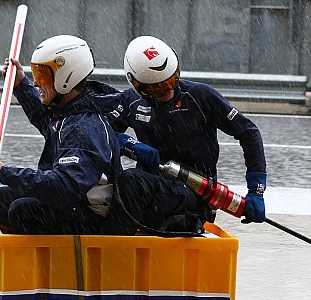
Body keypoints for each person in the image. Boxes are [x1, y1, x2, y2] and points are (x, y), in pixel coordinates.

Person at [102, 35, 267, 229]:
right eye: (158, 87)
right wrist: (127, 142)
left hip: (195, 193)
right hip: (152, 185)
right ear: (138, 86)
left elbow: (249, 132)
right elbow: (101, 129)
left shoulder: (200, 96)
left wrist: (256, 190)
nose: (169, 90)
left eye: (172, 80)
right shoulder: (131, 101)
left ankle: (119, 247)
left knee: (129, 181)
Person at [0, 35, 121, 235]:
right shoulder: (68, 111)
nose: (37, 84)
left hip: (91, 215)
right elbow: (44, 119)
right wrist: (21, 84)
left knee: (23, 211)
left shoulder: (85, 127)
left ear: (66, 78)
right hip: (73, 200)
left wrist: (6, 172)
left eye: (42, 76)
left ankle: (50, 261)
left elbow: (64, 186)